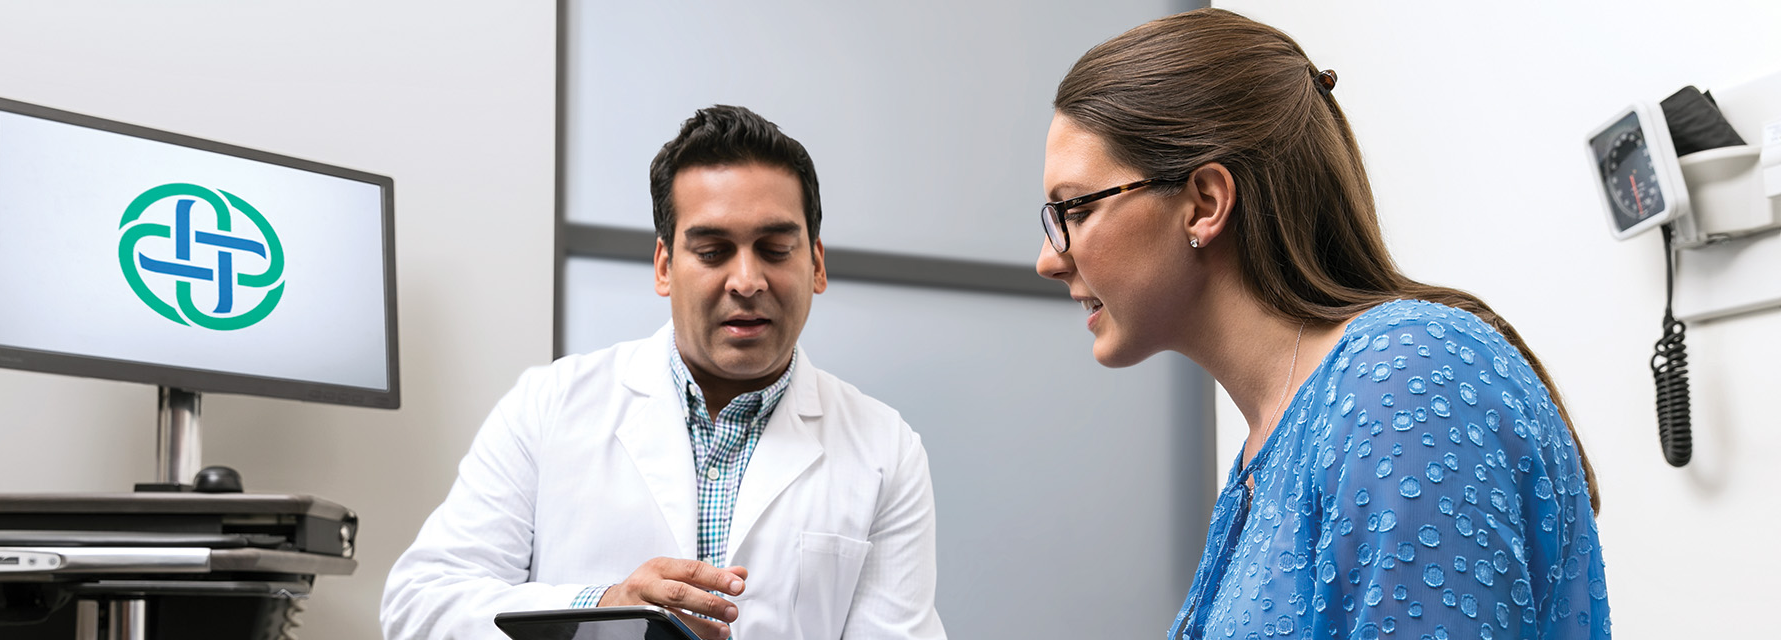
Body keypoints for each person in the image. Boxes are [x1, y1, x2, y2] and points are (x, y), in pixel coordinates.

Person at [1033, 9, 1608, 640]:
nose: (1048, 259)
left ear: (1204, 203)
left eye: (1073, 210)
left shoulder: (1404, 380)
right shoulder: (1270, 451)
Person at [382, 105, 945, 640]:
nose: (747, 281)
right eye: (713, 251)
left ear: (816, 264)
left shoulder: (885, 450)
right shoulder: (547, 405)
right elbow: (421, 606)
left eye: (775, 249)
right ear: (664, 266)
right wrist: (602, 608)